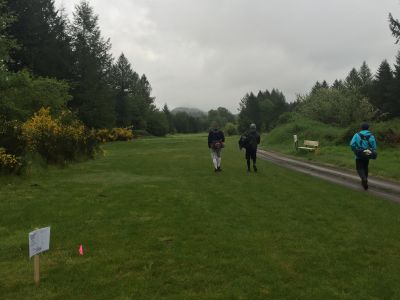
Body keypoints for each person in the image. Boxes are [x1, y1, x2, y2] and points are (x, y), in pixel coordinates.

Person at [350, 122, 377, 190]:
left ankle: (364, 179)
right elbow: (374, 147)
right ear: (368, 128)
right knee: (365, 167)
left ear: (361, 128)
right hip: (367, 153)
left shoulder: (357, 134)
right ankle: (364, 181)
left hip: (359, 153)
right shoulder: (371, 136)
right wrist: (370, 151)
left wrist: (355, 150)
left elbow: (352, 144)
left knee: (359, 168)